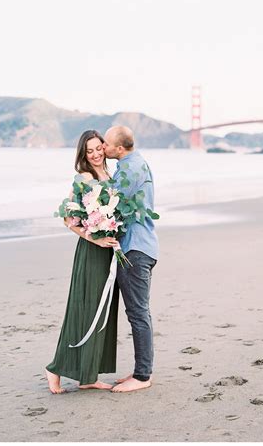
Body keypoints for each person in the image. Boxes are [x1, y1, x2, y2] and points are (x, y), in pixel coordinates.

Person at [45, 130, 120, 393]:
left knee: (103, 311)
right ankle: (54, 368)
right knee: (84, 309)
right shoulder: (84, 179)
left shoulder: (110, 176)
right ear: (83, 155)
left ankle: (88, 375)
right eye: (90, 151)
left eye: (99, 148)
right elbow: (69, 221)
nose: (97, 154)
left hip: (109, 251)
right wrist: (96, 239)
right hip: (91, 251)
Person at [103, 125, 159, 393]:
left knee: (138, 313)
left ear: (119, 149)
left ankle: (143, 375)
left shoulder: (127, 169)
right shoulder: (136, 163)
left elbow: (110, 204)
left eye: (106, 144)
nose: (103, 147)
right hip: (143, 245)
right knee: (139, 312)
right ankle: (141, 370)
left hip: (135, 248)